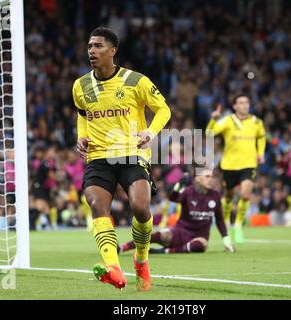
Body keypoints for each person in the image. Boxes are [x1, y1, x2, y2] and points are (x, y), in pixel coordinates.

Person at [72, 27, 171, 291]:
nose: (92, 51)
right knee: (95, 203)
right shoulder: (80, 85)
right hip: (99, 156)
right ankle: (114, 267)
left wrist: (150, 131)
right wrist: (82, 136)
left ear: (112, 50)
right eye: (90, 46)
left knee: (140, 207)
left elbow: (163, 109)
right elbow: (83, 115)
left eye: (98, 46)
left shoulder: (135, 81)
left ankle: (141, 260)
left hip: (132, 153)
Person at [119, 168, 234, 254]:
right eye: (207, 176)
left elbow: (219, 219)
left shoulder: (215, 195)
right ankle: (123, 247)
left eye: (211, 177)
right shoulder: (189, 191)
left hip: (199, 236)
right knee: (158, 235)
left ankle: (165, 251)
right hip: (180, 231)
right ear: (198, 178)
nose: (211, 180)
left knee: (201, 246)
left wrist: (226, 239)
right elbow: (173, 198)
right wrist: (178, 186)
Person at [205, 94, 266, 244]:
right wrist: (213, 118)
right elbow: (208, 133)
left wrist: (261, 153)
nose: (244, 105)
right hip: (229, 165)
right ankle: (225, 222)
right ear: (235, 106)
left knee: (245, 195)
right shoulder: (228, 121)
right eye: (241, 103)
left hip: (249, 164)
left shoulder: (256, 122)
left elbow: (262, 137)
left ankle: (238, 225)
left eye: (246, 102)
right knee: (228, 196)